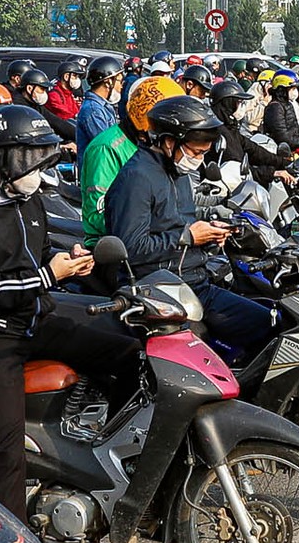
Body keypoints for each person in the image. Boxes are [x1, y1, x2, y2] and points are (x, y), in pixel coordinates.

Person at [0, 106, 143, 523]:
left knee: (130, 353)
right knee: (7, 451)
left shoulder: (31, 200)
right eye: (28, 158)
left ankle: (102, 465)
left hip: (35, 317)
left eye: (42, 158)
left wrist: (70, 261)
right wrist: (50, 274)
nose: (37, 169)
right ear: (2, 158)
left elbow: (38, 255)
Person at [104, 95, 281, 362]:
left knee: (273, 321)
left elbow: (178, 218)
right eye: (195, 152)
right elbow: (130, 247)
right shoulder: (137, 178)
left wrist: (210, 229)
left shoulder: (176, 172)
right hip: (164, 293)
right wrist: (187, 237)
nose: (198, 160)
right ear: (168, 141)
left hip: (195, 282)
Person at [82, 71, 178, 241]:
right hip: (114, 247)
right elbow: (99, 213)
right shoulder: (106, 148)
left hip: (155, 240)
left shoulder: (154, 148)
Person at [75, 55, 124, 153]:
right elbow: (108, 145)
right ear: (108, 82)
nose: (121, 86)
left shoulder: (104, 107)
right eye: (120, 81)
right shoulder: (93, 111)